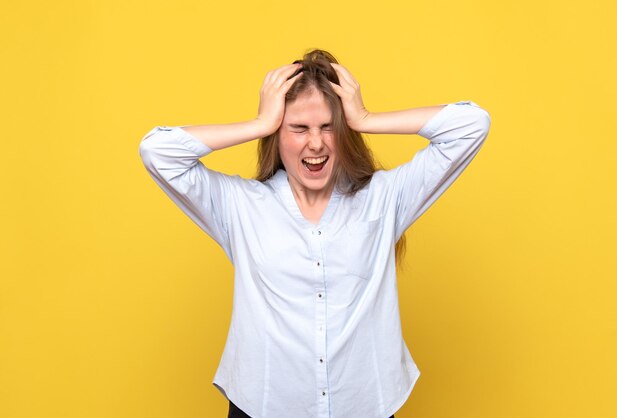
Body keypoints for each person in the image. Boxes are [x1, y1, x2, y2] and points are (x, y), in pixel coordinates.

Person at [138, 49, 491, 418]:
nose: (316, 143)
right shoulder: (241, 206)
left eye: (327, 127)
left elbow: (472, 124)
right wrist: (260, 124)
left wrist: (365, 118)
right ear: (278, 134)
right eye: (299, 128)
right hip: (264, 406)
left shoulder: (383, 199)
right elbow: (157, 151)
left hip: (364, 405)